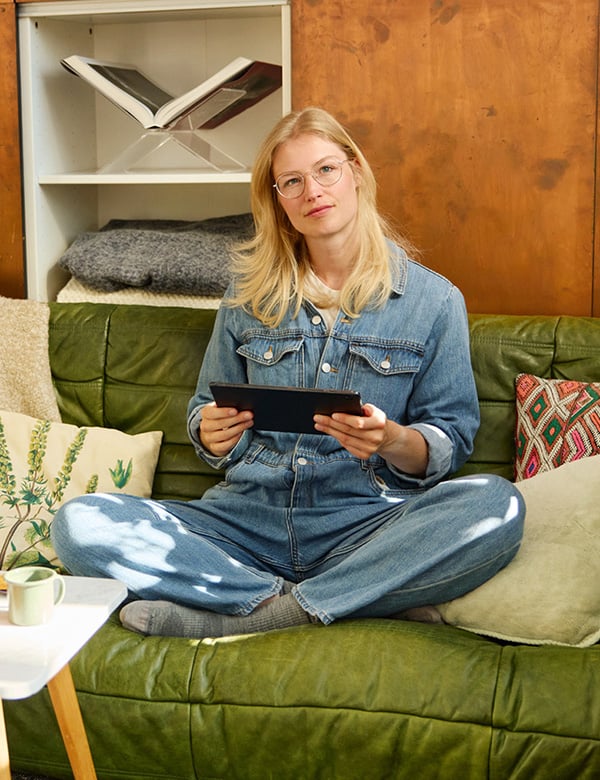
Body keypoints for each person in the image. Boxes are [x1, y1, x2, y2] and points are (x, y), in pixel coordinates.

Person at [52, 107, 525, 638]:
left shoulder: (434, 300)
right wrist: (209, 432)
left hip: (366, 523)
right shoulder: (247, 296)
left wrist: (392, 439)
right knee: (79, 524)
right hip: (243, 525)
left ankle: (260, 614)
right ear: (277, 200)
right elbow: (206, 408)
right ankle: (326, 597)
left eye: (326, 170)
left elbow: (450, 437)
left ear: (356, 172)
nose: (312, 191)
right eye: (291, 182)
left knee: (496, 505)